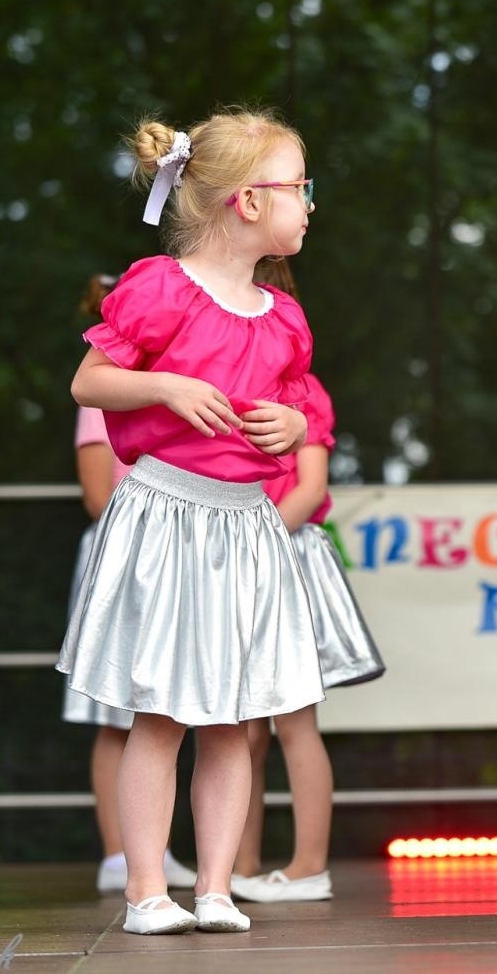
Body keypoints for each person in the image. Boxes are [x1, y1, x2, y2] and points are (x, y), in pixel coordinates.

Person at [57, 108, 325, 933]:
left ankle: (213, 886)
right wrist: (164, 387)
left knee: (236, 716)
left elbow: (292, 412)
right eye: (299, 187)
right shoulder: (159, 288)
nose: (310, 204)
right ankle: (146, 888)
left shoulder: (282, 317)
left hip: (244, 527)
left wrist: (292, 428)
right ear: (248, 201)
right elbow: (90, 384)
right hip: (169, 515)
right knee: (161, 710)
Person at [233, 258, 385, 905]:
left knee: (294, 722)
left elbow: (312, 486)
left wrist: (250, 542)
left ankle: (307, 864)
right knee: (235, 725)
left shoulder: (302, 393)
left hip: (282, 556)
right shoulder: (213, 382)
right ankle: (234, 865)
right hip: (230, 560)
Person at [64, 275, 198, 895]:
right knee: (116, 710)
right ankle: (118, 853)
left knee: (168, 703)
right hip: (127, 552)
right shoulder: (104, 394)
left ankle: (155, 850)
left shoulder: (181, 387)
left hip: (178, 553)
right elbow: (98, 494)